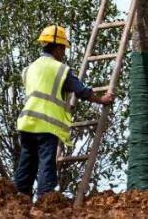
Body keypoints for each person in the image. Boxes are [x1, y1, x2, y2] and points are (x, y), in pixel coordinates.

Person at [14, 25, 115, 198]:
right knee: (46, 163)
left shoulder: (29, 68)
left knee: (26, 162)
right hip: (46, 125)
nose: (64, 53)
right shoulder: (60, 69)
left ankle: (19, 199)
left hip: (26, 123)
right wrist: (102, 100)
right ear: (57, 47)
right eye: (63, 49)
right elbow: (82, 91)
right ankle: (45, 200)